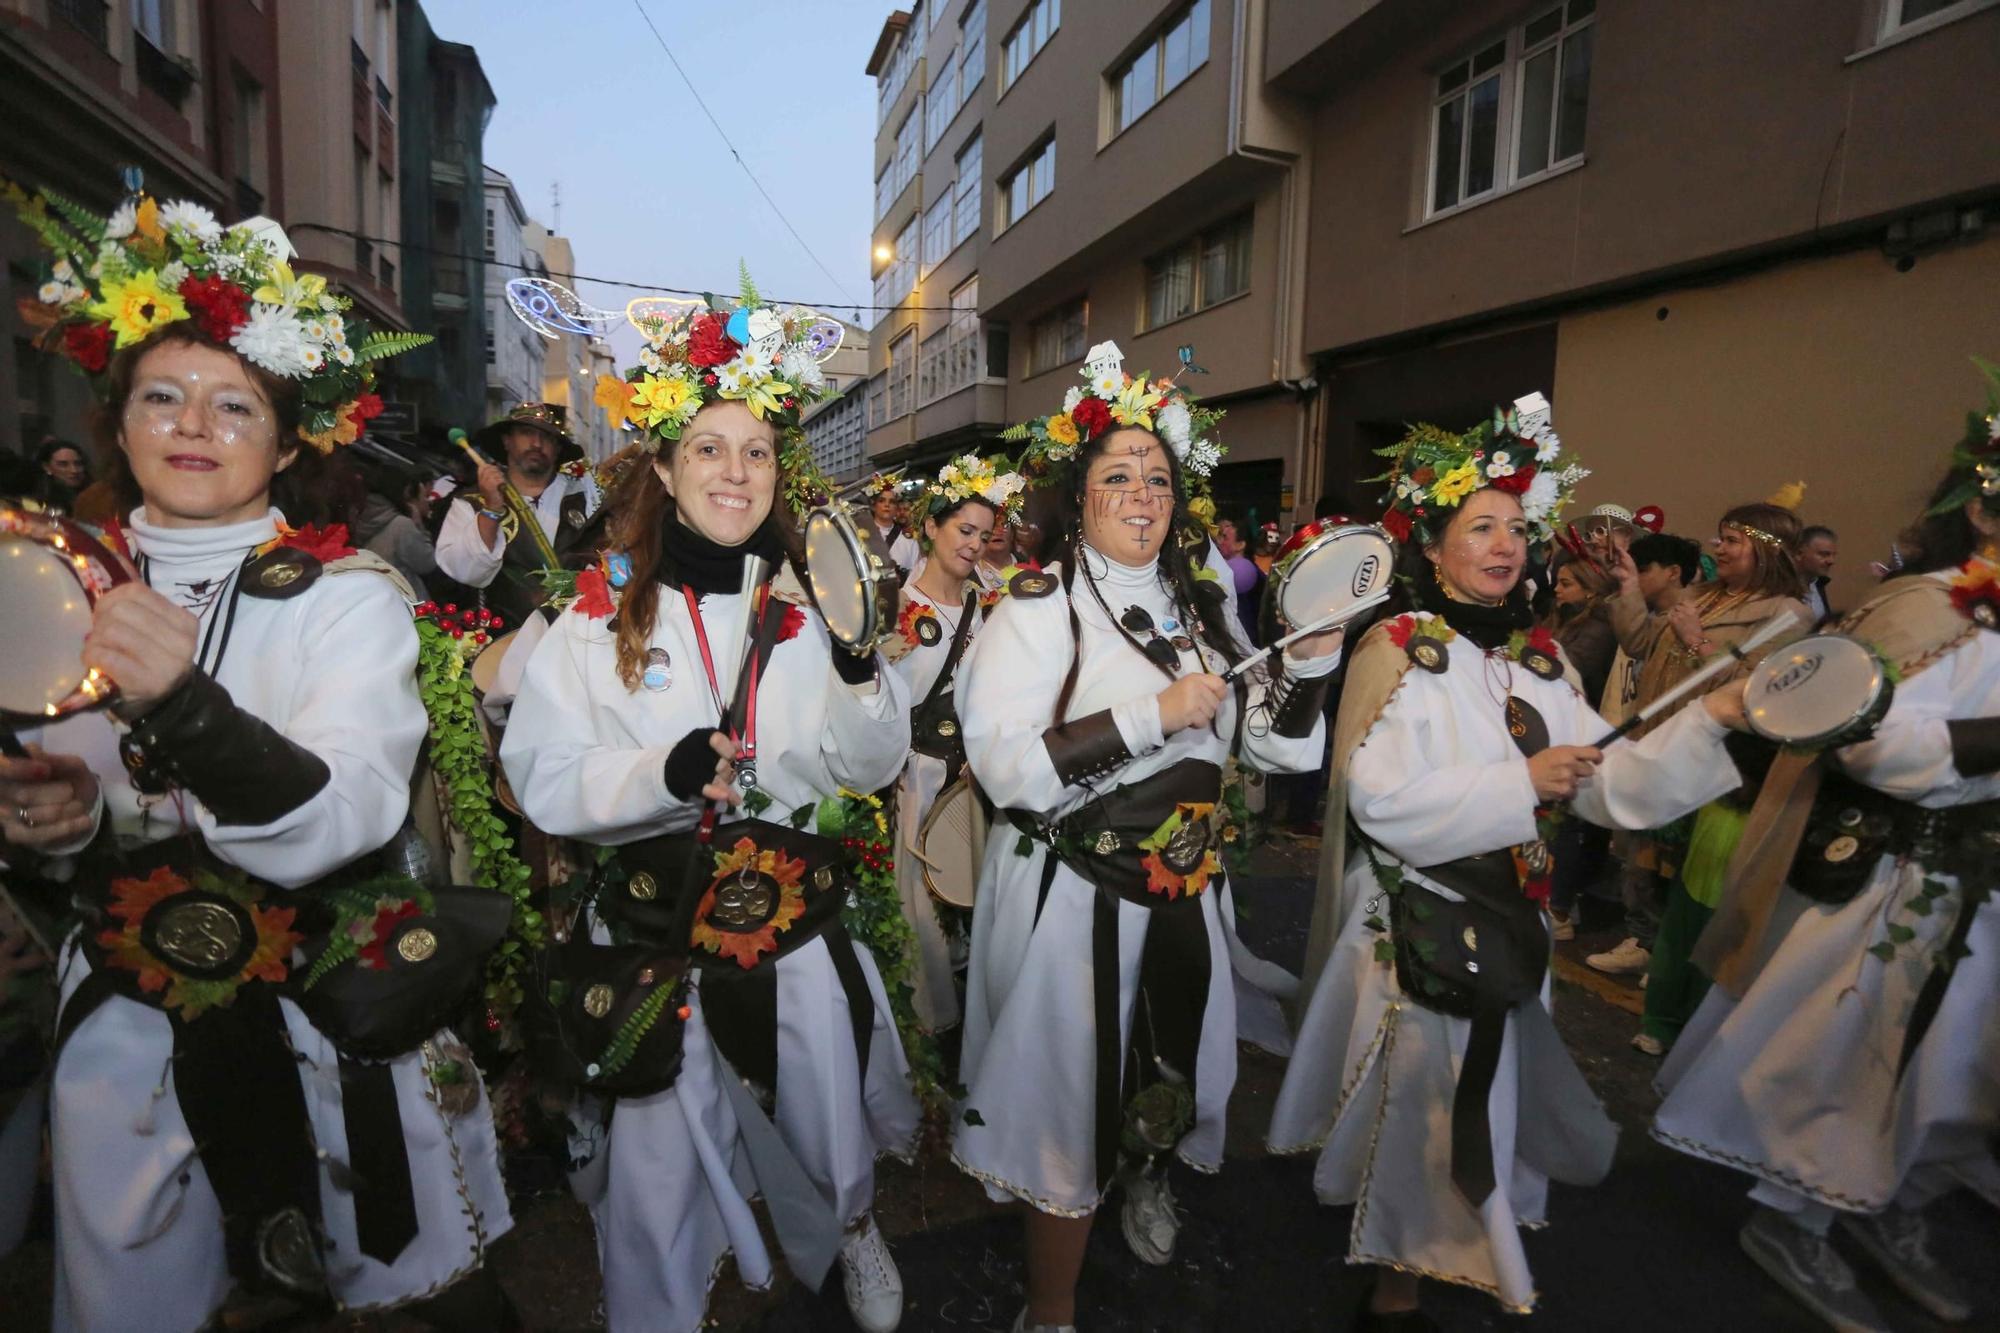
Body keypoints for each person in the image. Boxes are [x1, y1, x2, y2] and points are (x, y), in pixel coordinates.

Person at [0, 186, 515, 1331]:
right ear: (119, 422)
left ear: (287, 445)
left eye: (235, 405)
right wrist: (51, 819)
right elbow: (61, 793)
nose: (193, 425)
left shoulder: (345, 598)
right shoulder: (45, 586)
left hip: (316, 1004)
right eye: (163, 396)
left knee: (363, 1292)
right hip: (121, 1019)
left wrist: (182, 705)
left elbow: (343, 812)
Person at [1269, 398, 1752, 1325]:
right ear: (1435, 545)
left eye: (1518, 528)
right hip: (1420, 928)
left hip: (1513, 923)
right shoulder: (1401, 650)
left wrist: (1711, 721)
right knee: (1419, 1105)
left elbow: (1606, 783)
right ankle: (1400, 1271)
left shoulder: (1542, 664)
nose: (1505, 544)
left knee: (1480, 1095)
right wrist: (1520, 778)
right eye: (1480, 526)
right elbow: (1378, 798)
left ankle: (1474, 1225)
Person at [500, 282, 921, 1333]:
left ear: (780, 473)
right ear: (664, 467)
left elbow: (864, 765)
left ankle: (853, 1226)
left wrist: (862, 665)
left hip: (788, 924)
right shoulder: (596, 616)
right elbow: (543, 773)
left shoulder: (808, 604)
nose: (734, 471)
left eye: (756, 452)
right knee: (657, 1167)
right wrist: (663, 772)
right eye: (708, 449)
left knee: (825, 1116)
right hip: (655, 926)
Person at [953, 343, 1344, 1333]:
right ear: (1076, 498)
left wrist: (1307, 667)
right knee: (1065, 1105)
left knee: (1173, 1066)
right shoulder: (1036, 612)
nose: (1140, 493)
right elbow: (1004, 767)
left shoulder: (1202, 607)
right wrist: (1153, 714)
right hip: (1072, 899)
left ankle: (1147, 1177)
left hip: (1185, 894)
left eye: (1157, 477)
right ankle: (1049, 1308)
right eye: (1116, 475)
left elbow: (1281, 753)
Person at [1653, 375, 2000, 1332]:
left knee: (1956, 1070)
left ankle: (1898, 1206)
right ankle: (1796, 1215)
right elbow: (1860, 737)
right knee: (1843, 1060)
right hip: (1894, 881)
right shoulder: (1929, 609)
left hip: (1986, 890)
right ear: (1981, 504)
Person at [1586, 503, 1810, 981]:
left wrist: (1697, 643)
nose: (1717, 548)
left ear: (1766, 549)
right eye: (1720, 537)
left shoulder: (1785, 614)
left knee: (1679, 861)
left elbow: (1760, 691)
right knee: (1642, 853)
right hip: (1659, 737)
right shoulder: (1705, 595)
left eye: (1731, 541)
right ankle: (1643, 940)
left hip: (1710, 752)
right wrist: (1627, 586)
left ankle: (1670, 956)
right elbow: (1641, 643)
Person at [884, 453, 1025, 1032]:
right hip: (915, 777)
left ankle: (985, 1026)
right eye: (963, 530)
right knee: (921, 909)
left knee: (982, 899)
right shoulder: (895, 607)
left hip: (980, 775)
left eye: (984, 536)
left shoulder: (993, 597)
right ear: (930, 526)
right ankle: (930, 1037)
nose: (974, 546)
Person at [435, 402, 605, 627]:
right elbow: (466, 572)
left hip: (576, 640)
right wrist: (491, 509)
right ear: (507, 441)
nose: (536, 444)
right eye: (526, 433)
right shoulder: (471, 502)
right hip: (503, 645)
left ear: (558, 449)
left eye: (547, 437)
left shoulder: (589, 499)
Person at [1541, 551, 1619, 939]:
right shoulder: (1570, 621)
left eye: (1567, 583)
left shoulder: (1599, 628)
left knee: (1570, 822)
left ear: (1591, 591)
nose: (1557, 589)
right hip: (1563, 727)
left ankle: (1560, 906)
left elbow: (1571, 669)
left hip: (1583, 730)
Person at [353, 473, 440, 601]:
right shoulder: (401, 526)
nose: (426, 501)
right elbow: (427, 563)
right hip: (410, 605)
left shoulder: (361, 522)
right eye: (424, 497)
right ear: (408, 494)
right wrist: (420, 527)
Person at [1215, 516, 1264, 647]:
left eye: (1224, 537)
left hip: (1246, 643)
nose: (1219, 542)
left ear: (1240, 545)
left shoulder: (1244, 569)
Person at [868, 480, 922, 578]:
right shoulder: (862, 534)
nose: (887, 505)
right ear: (874, 506)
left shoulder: (909, 541)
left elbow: (914, 576)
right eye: (881, 500)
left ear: (896, 508)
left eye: (892, 502)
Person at [34, 438, 90, 513]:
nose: (74, 470)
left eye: (78, 464)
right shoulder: (37, 505)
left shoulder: (98, 496)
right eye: (63, 465)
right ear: (47, 467)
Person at [1798, 522, 1839, 622]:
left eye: (1834, 555)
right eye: (1824, 554)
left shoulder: (1819, 585)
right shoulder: (1781, 590)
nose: (1831, 561)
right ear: (1799, 553)